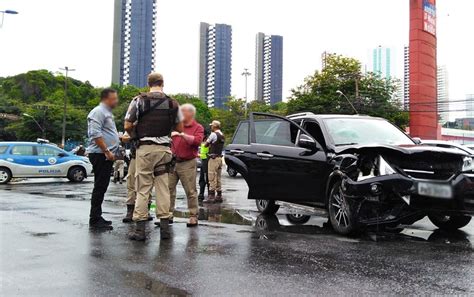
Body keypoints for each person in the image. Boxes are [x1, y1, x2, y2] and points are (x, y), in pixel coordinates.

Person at [124, 72, 182, 241]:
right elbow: (179, 126)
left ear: (148, 83)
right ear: (162, 83)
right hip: (164, 150)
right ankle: (165, 228)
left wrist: (135, 134)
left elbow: (127, 124)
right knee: (163, 188)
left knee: (143, 188)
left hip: (145, 149)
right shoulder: (173, 103)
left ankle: (140, 230)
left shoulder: (138, 100)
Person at [86, 88, 120, 230]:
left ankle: (97, 216)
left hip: (105, 154)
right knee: (100, 186)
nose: (116, 101)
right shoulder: (98, 111)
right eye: (113, 98)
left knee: (102, 186)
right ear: (106, 99)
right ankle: (94, 219)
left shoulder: (107, 113)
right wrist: (106, 151)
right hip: (100, 154)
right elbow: (95, 133)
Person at [167, 103, 204, 227]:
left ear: (191, 114)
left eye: (182, 112)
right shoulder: (175, 125)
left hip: (187, 163)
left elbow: (197, 141)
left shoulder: (198, 127)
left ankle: (193, 216)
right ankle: (168, 215)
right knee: (168, 189)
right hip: (172, 162)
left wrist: (182, 135)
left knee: (190, 191)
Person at [121, 132, 153, 223]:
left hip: (148, 156)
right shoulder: (133, 123)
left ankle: (146, 210)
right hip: (135, 156)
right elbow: (124, 137)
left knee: (148, 184)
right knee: (131, 183)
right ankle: (130, 211)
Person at [203, 120, 225, 203]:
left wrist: (208, 143)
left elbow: (206, 144)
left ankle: (211, 196)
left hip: (213, 158)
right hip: (220, 158)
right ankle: (219, 195)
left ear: (215, 126)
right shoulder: (222, 135)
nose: (211, 127)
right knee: (218, 177)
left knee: (211, 176)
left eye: (212, 126)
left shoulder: (213, 134)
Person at [198, 132, 210, 201]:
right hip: (203, 161)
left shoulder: (208, 142)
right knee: (202, 178)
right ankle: (201, 194)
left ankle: (209, 194)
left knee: (207, 178)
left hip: (207, 161)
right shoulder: (203, 142)